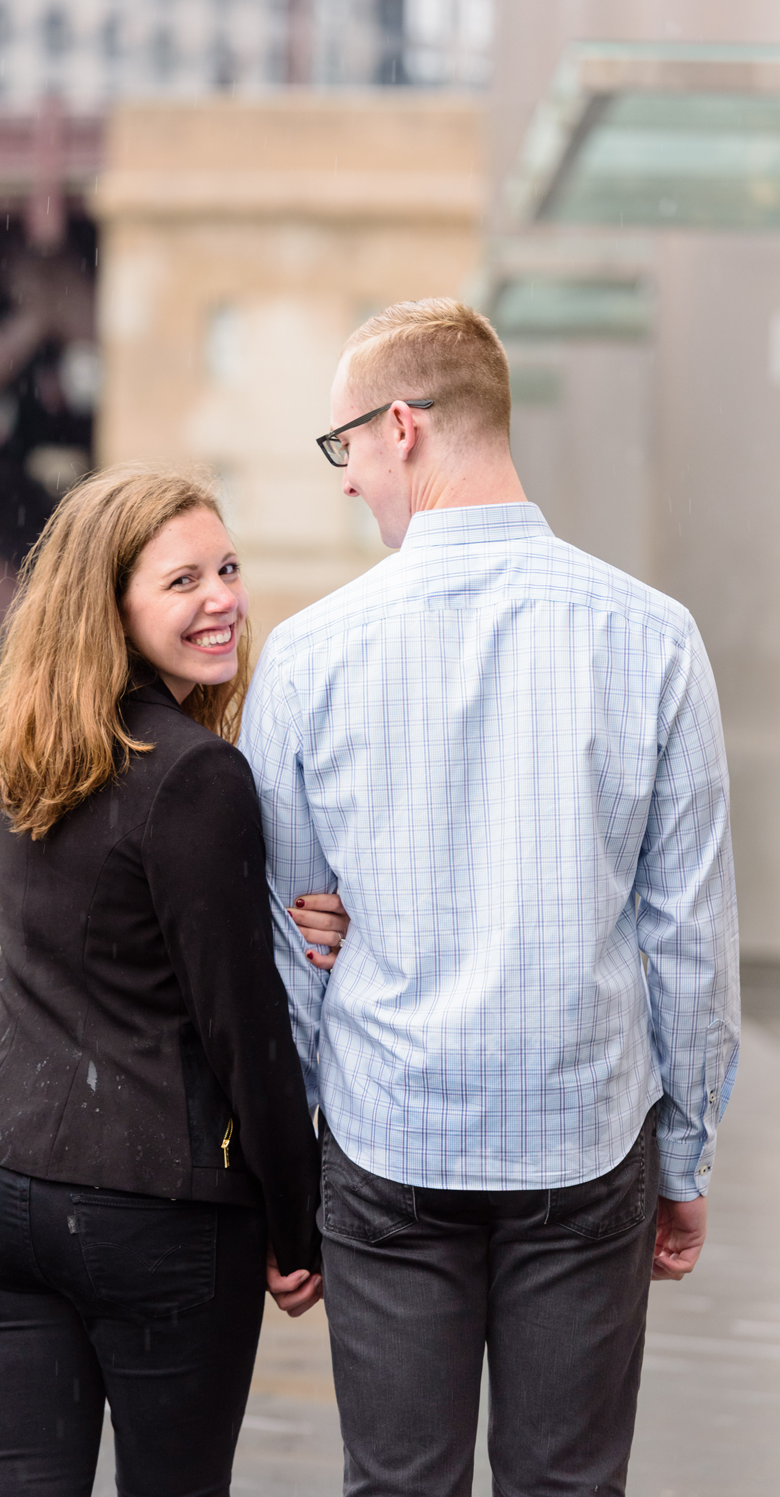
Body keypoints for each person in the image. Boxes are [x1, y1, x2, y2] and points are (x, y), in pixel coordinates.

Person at [242, 299, 739, 1497]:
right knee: (566, 1486)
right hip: (584, 1144)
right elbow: (687, 938)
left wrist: (285, 1189)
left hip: (385, 1140)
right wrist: (685, 1154)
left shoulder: (308, 656)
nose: (346, 481)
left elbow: (284, 947)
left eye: (344, 448)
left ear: (400, 428)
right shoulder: (654, 639)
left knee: (398, 1482)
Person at [0, 467, 348, 1495]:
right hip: (152, 1207)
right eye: (181, 582)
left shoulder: (31, 747)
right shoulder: (197, 776)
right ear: (109, 605)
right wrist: (297, 1221)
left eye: (227, 569)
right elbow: (239, 1025)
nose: (221, 600)